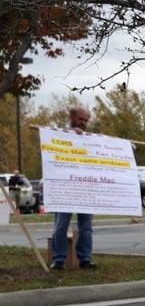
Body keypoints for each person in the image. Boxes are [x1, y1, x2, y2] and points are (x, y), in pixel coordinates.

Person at [50, 106, 96, 270]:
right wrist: (69, 134)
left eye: (86, 120)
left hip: (85, 189)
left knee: (86, 227)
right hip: (65, 189)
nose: (83, 123)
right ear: (72, 117)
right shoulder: (59, 135)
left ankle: (85, 259)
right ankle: (59, 259)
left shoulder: (90, 139)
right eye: (80, 119)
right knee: (61, 226)